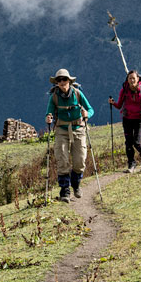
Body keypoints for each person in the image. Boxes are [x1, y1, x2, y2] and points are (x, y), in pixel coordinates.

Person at [45, 68, 94, 201]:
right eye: (59, 80)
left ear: (69, 81)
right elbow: (49, 112)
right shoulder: (54, 97)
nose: (62, 82)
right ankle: (65, 190)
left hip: (78, 129)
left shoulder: (77, 94)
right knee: (62, 158)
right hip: (61, 129)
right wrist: (48, 118)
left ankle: (76, 184)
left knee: (80, 160)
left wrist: (86, 114)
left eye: (64, 79)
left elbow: (90, 109)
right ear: (56, 83)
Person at [109, 70, 141, 172]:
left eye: (133, 78)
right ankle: (131, 164)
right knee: (128, 143)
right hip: (127, 119)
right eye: (130, 78)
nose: (132, 80)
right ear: (127, 80)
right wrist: (113, 103)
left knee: (137, 142)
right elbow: (119, 106)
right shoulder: (124, 91)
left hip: (139, 120)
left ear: (138, 79)